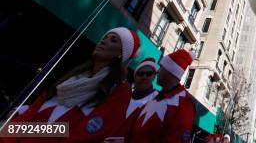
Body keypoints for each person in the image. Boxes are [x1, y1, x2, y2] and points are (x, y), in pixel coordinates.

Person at [1, 27, 140, 143]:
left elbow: (90, 133)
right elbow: (34, 110)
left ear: (121, 54)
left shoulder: (120, 89)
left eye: (113, 40)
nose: (104, 40)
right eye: (105, 37)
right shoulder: (74, 76)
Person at [127, 49, 196, 142]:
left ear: (170, 72)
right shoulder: (155, 97)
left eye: (161, 67)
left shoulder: (184, 104)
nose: (157, 71)